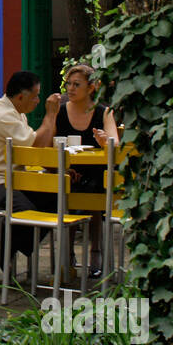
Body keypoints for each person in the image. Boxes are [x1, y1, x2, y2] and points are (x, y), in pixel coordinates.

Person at [0, 70, 61, 285]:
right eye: (35, 96)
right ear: (20, 97)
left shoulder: (15, 113)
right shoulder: (4, 116)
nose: (38, 100)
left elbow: (37, 150)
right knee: (25, 211)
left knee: (54, 199)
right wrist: (51, 114)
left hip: (10, 180)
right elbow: (38, 145)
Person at [56, 62, 119, 276]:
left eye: (76, 84)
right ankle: (68, 253)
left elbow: (115, 144)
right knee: (68, 188)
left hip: (96, 173)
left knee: (93, 189)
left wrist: (105, 140)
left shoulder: (103, 112)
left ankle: (96, 252)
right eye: (68, 84)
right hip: (68, 171)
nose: (70, 89)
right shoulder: (60, 111)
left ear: (91, 88)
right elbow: (49, 144)